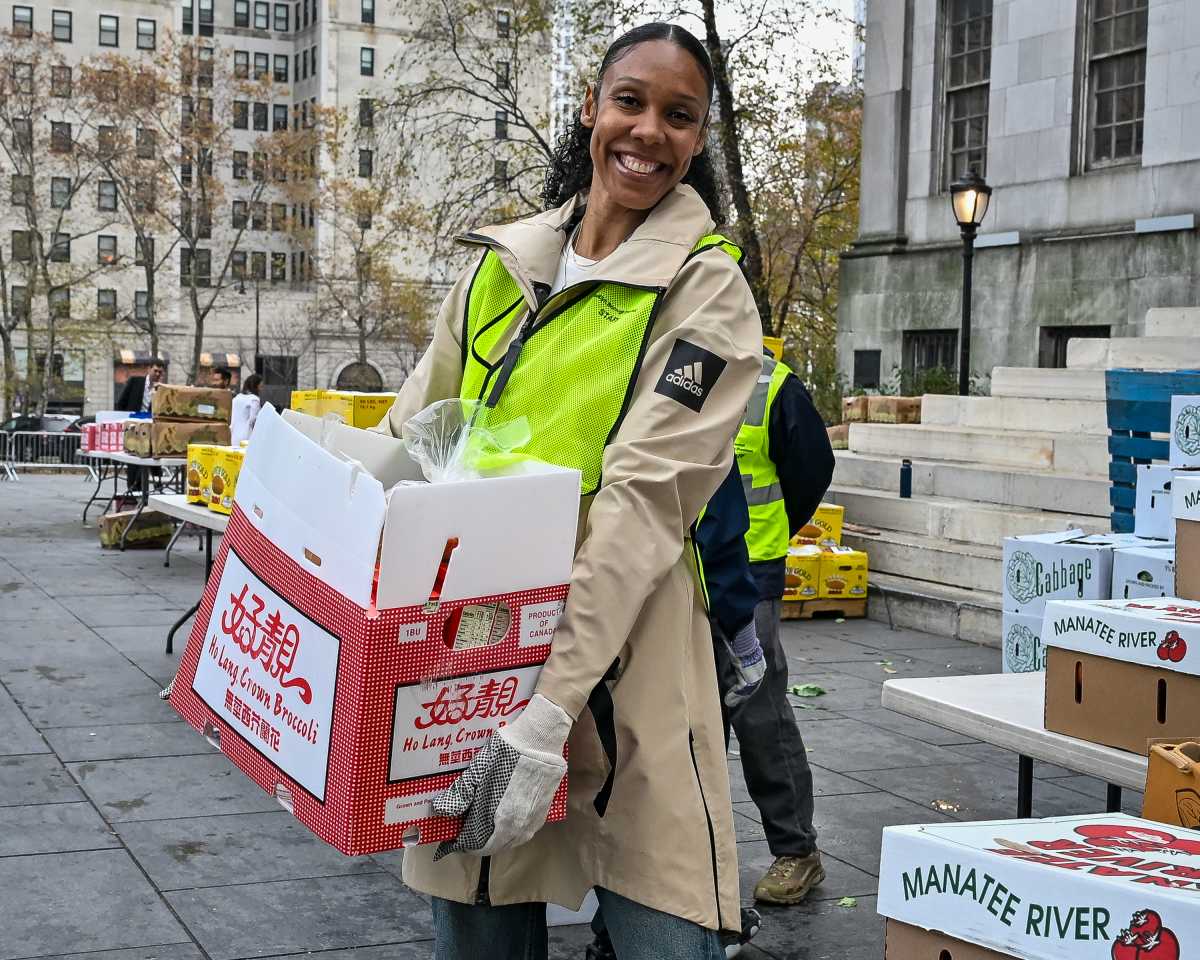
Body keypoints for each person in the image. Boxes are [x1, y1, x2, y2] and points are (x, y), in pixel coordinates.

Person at [375, 22, 761, 959]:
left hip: (626, 663)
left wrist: (546, 713)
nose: (649, 132)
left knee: (668, 929)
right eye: (630, 101)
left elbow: (642, 510)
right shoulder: (498, 267)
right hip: (472, 656)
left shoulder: (707, 293)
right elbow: (410, 437)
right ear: (590, 107)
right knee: (477, 920)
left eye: (680, 115)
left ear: (698, 139)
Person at [717, 349, 835, 906]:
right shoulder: (662, 362)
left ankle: (797, 851)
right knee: (688, 717)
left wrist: (775, 531)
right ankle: (694, 853)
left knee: (760, 713)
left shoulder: (772, 386)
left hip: (749, 572)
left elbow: (810, 469)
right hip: (678, 568)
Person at [230, 374, 262, 446]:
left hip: (233, 435)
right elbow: (253, 419)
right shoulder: (254, 399)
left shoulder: (236, 398)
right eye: (260, 386)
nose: (261, 389)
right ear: (256, 386)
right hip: (247, 436)